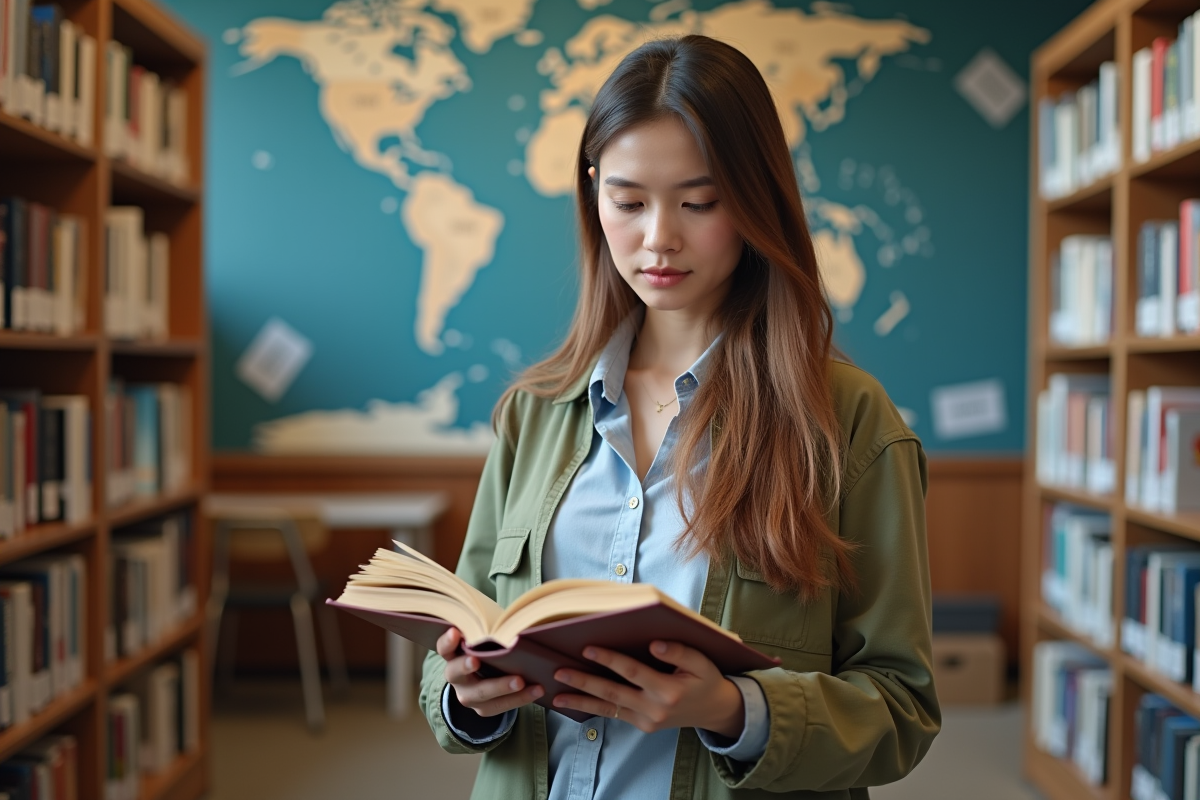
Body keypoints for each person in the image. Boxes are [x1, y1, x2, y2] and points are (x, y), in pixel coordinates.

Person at [419, 34, 940, 800]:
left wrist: (735, 710)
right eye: (628, 202)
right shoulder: (534, 413)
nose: (658, 237)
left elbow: (902, 707)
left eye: (700, 202)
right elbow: (458, 640)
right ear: (593, 194)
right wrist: (463, 696)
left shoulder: (848, 422)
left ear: (757, 199)